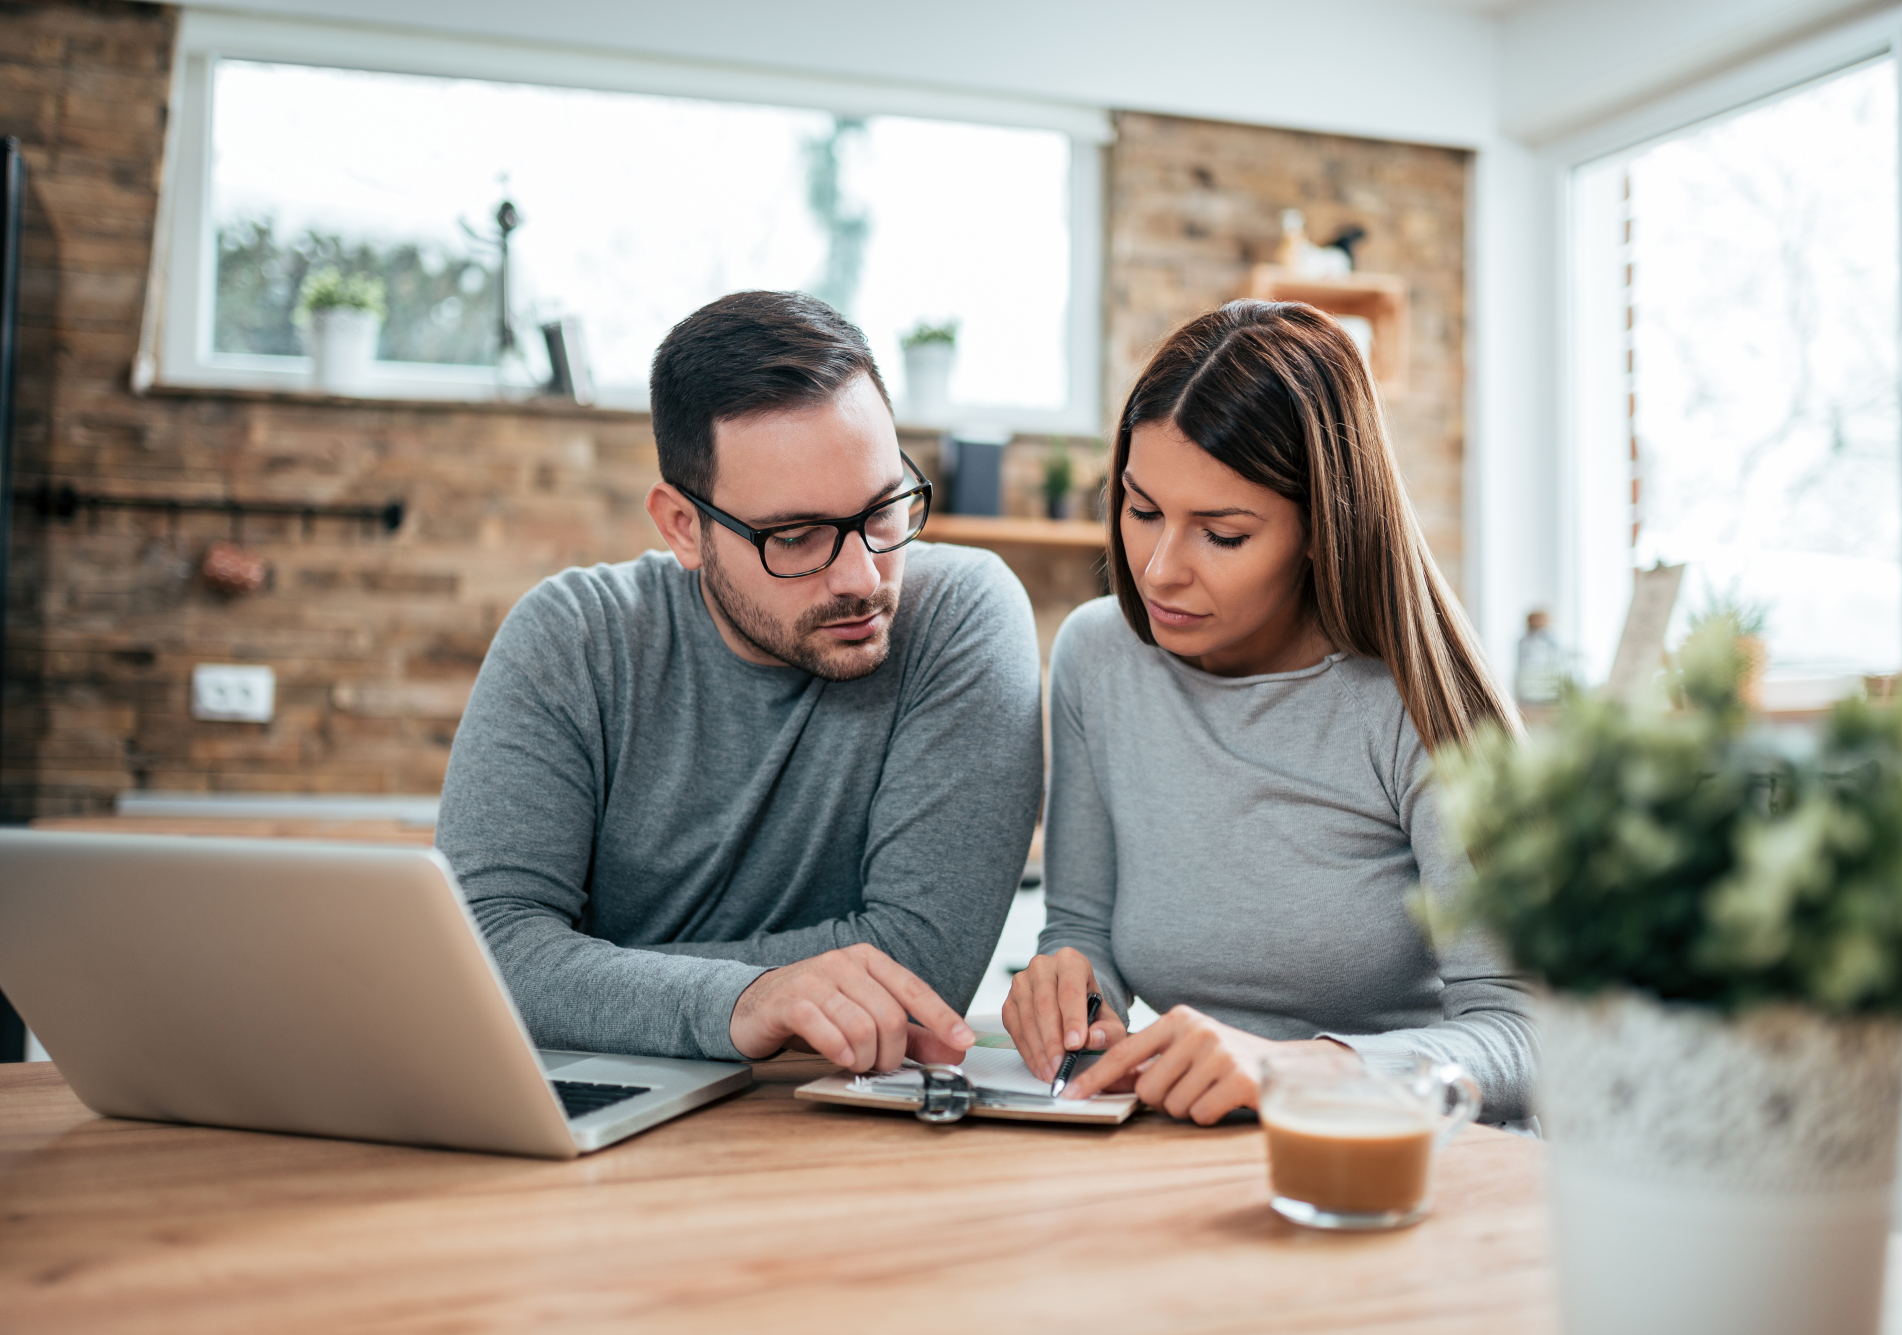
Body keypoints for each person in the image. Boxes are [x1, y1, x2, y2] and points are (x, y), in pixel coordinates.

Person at [438, 291, 1043, 1074]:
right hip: (591, 1110)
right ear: (684, 527)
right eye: (796, 537)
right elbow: (484, 950)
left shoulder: (961, 616)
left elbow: (921, 967)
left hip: (835, 1125)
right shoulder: (575, 638)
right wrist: (743, 998)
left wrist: (589, 975)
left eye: (885, 509)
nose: (863, 577)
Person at [1002, 300, 1535, 1125]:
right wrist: (1072, 990)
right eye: (1142, 511)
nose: (1158, 570)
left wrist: (1299, 1069)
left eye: (1221, 534)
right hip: (1204, 1157)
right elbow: (1081, 928)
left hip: (1406, 1167)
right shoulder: (1097, 660)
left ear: (1324, 528)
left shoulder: (1422, 703)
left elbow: (1526, 1034)